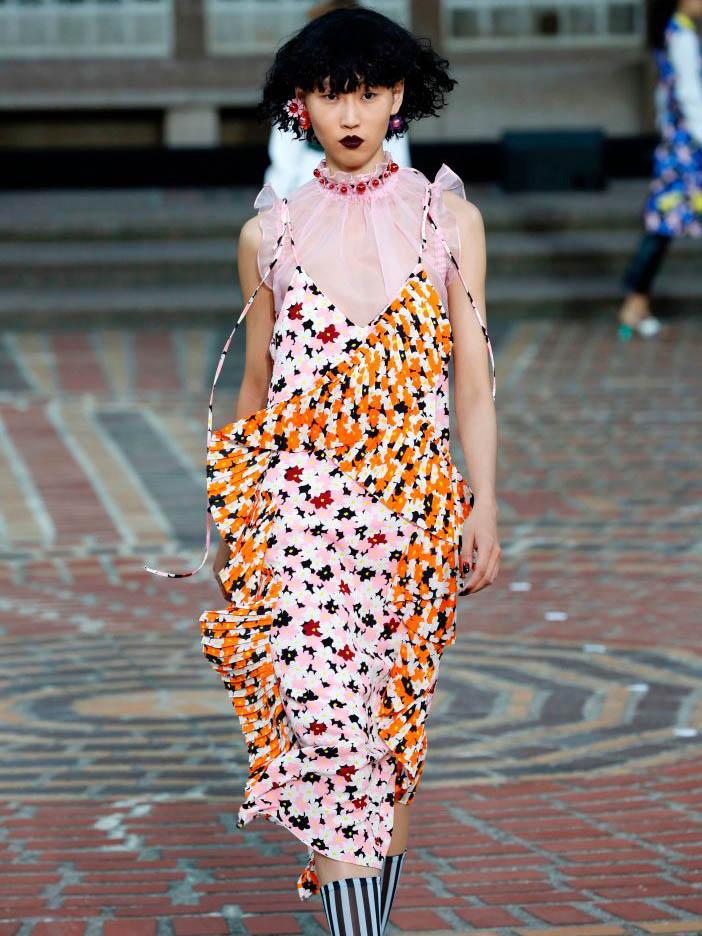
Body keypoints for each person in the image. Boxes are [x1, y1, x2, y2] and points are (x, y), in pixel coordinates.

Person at [147, 7, 500, 935]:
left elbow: (474, 382)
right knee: (333, 735)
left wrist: (487, 504)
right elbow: (255, 391)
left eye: (373, 91)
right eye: (332, 91)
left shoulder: (451, 222)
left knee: (388, 742)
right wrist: (230, 526)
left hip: (416, 511)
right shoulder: (268, 237)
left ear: (402, 98)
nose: (354, 111)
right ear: (299, 104)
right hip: (302, 511)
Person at [263, 0, 412, 197]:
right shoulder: (300, 95)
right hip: (308, 186)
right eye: (331, 96)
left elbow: (397, 153)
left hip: (377, 189)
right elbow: (283, 159)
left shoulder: (382, 87)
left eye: (367, 95)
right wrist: (276, 210)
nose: (350, 119)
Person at [618, 0, 702, 339]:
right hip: (687, 151)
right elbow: (688, 94)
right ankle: (634, 302)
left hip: (679, 147)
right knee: (661, 226)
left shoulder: (676, 33)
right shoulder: (681, 35)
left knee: (662, 227)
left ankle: (635, 303)